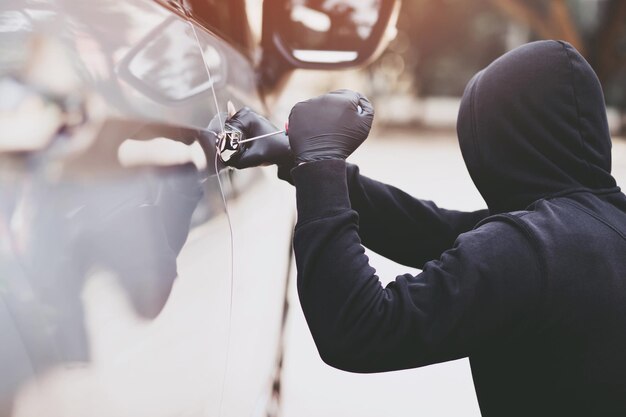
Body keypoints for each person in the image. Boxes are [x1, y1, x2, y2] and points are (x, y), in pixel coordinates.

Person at [224, 40, 626, 416]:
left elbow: (359, 327)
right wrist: (300, 161)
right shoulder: (597, 228)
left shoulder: (532, 248)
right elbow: (430, 230)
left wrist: (321, 165)